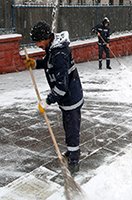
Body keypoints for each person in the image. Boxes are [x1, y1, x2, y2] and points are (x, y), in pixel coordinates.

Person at [24, 21, 84, 174]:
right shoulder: (53, 49)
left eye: (38, 41)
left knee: (72, 129)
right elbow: (48, 63)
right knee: (68, 126)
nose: (37, 44)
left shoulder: (59, 54)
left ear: (45, 38)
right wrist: (36, 64)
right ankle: (72, 151)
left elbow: (62, 87)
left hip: (70, 97)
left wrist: (47, 101)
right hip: (67, 97)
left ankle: (74, 159)